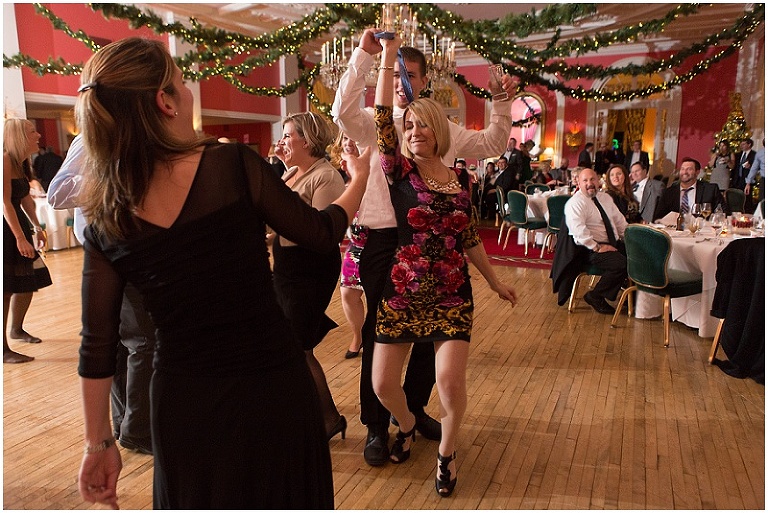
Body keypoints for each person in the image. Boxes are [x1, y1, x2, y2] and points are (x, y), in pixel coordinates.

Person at [74, 37, 370, 509]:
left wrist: (99, 444)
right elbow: (320, 230)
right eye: (181, 80)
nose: (190, 90)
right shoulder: (230, 166)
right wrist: (358, 179)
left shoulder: (108, 213)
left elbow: (97, 343)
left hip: (183, 400)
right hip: (270, 384)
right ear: (164, 101)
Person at [331, 28, 515, 467]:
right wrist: (369, 56)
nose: (400, 81)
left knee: (430, 342)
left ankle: (411, 414)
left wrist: (502, 101)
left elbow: (491, 142)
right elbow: (341, 109)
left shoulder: (440, 129)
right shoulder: (378, 126)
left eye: (408, 74)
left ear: (424, 79)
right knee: (382, 337)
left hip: (433, 246)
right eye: (393, 75)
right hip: (382, 241)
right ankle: (378, 426)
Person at [48, 134, 156, 455]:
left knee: (131, 341)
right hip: (108, 250)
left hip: (141, 248)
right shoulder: (92, 140)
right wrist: (112, 179)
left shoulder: (143, 135)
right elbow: (57, 193)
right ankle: (137, 428)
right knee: (141, 342)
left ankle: (128, 423)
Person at [271, 111, 349, 441]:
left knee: (298, 348)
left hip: (310, 269)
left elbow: (320, 233)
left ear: (307, 140)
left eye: (288, 135)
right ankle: (305, 414)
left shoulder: (326, 177)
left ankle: (329, 419)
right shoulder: (292, 173)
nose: (283, 141)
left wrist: (278, 225)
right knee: (292, 346)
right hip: (287, 266)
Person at [3, 118, 52, 363]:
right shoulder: (3, 160)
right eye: (33, 131)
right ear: (19, 136)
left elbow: (24, 199)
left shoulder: (21, 162)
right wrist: (20, 238)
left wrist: (37, 226)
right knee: (7, 287)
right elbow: (4, 203)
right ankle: (2, 348)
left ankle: (17, 329)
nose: (39, 136)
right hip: (7, 229)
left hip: (18, 226)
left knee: (28, 280)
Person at [564, 168, 628, 315]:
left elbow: (619, 222)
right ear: (578, 183)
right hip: (589, 248)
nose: (590, 183)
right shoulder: (575, 203)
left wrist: (630, 239)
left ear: (598, 181)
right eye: (585, 180)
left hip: (612, 242)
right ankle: (595, 296)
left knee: (639, 257)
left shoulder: (605, 198)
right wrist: (597, 247)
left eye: (592, 179)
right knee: (620, 264)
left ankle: (633, 297)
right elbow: (579, 232)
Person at [330, 132, 366, 359]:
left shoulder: (373, 170)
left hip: (379, 241)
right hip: (355, 245)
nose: (349, 141)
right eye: (345, 137)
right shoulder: (341, 176)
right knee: (348, 293)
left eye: (353, 137)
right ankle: (358, 336)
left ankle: (379, 338)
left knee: (379, 297)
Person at [654, 157, 724, 221]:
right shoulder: (668, 193)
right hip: (674, 231)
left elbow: (722, 212)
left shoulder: (710, 190)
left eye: (689, 169)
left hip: (702, 231)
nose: (684, 172)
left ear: (697, 172)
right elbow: (658, 218)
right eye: (682, 169)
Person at [745, 138, 765, 203]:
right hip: (764, 181)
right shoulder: (760, 153)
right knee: (762, 202)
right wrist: (748, 183)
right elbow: (754, 168)